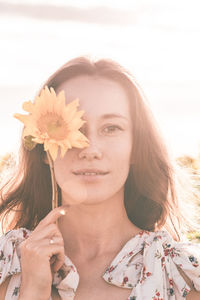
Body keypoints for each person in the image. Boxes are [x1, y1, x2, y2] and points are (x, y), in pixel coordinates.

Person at [0, 56, 200, 300]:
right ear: (43, 148)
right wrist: (32, 291)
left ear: (136, 148)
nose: (90, 148)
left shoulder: (183, 276)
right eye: (73, 127)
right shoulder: (7, 267)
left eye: (111, 128)